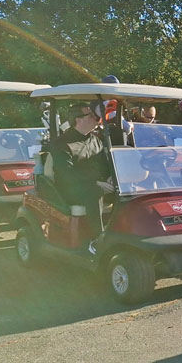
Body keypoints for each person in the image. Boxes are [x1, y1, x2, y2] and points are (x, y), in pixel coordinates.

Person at [51, 102, 113, 253]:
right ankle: (97, 239)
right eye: (91, 115)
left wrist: (111, 177)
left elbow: (105, 166)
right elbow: (66, 174)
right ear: (78, 119)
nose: (96, 118)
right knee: (95, 190)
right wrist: (96, 183)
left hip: (95, 186)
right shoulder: (62, 144)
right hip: (71, 189)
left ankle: (121, 235)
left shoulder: (96, 140)